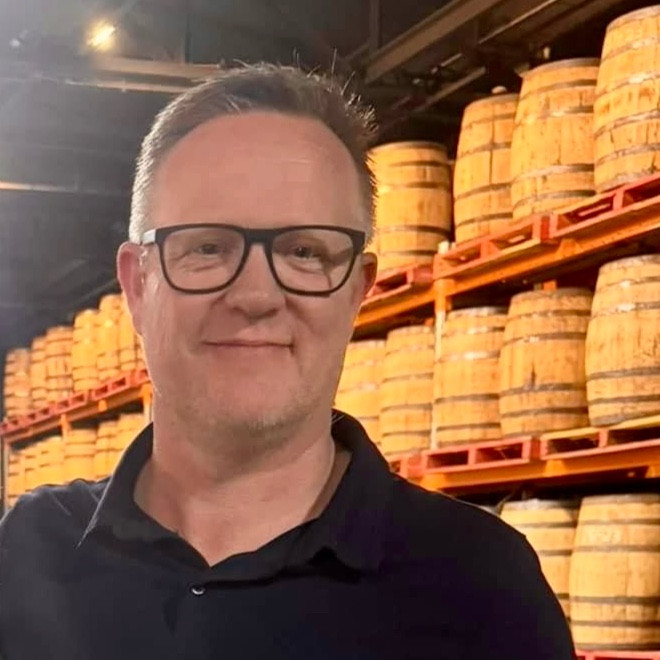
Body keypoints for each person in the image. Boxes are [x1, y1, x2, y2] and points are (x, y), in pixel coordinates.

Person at [0, 64, 575, 659]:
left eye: (305, 251)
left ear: (357, 292)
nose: (256, 295)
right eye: (207, 247)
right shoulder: (28, 552)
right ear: (138, 287)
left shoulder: (480, 586)